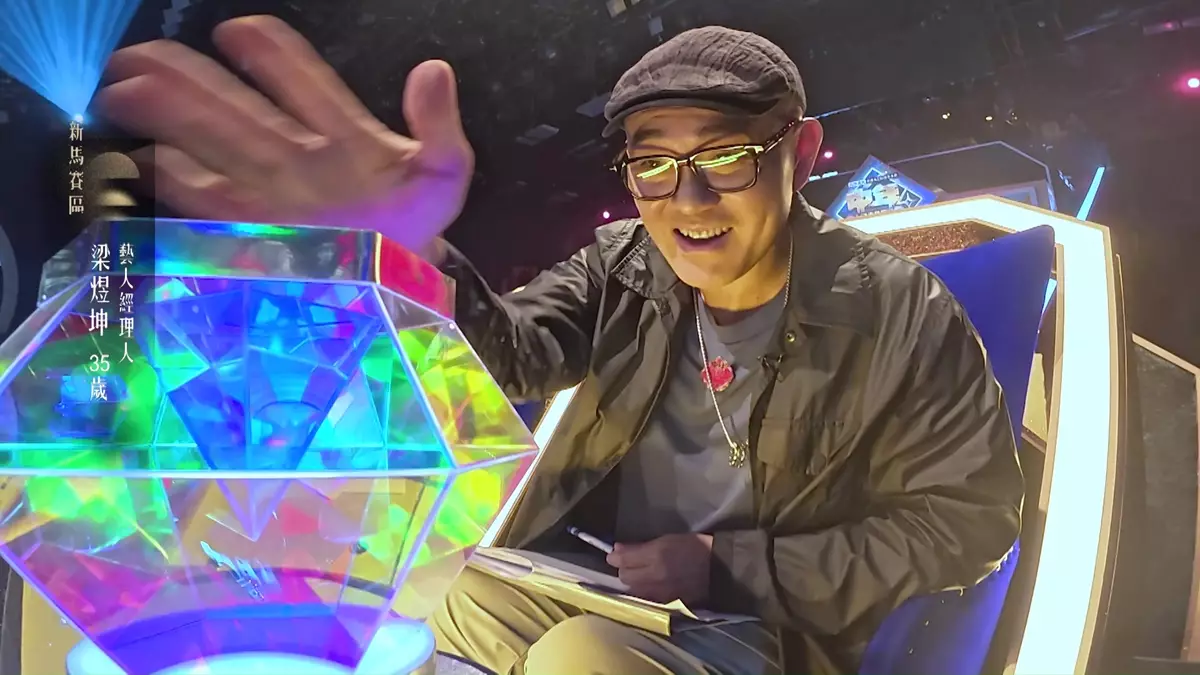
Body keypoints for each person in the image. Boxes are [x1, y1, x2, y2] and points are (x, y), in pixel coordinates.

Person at [22, 16, 1022, 675]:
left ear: (798, 151)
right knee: (403, 597)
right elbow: (510, 360)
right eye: (653, 165)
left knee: (578, 659)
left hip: (764, 632)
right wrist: (403, 250)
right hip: (595, 588)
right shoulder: (624, 265)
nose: (687, 199)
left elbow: (970, 523)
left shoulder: (902, 311)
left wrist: (728, 565)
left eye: (725, 156)